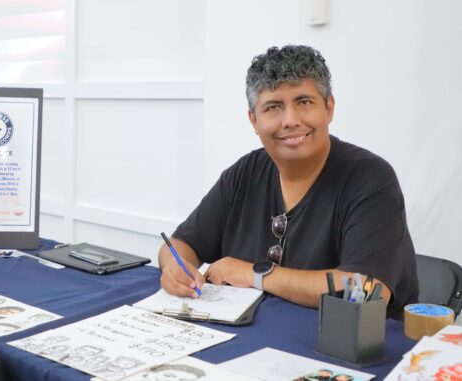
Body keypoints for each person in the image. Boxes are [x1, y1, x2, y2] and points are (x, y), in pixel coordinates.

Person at [158, 45, 418, 318]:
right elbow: (179, 244)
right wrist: (176, 268)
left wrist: (255, 274)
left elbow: (366, 290)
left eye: (304, 102)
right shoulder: (245, 172)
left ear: (329, 108)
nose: (291, 120)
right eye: (273, 107)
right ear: (254, 120)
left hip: (349, 348)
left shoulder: (370, 178)